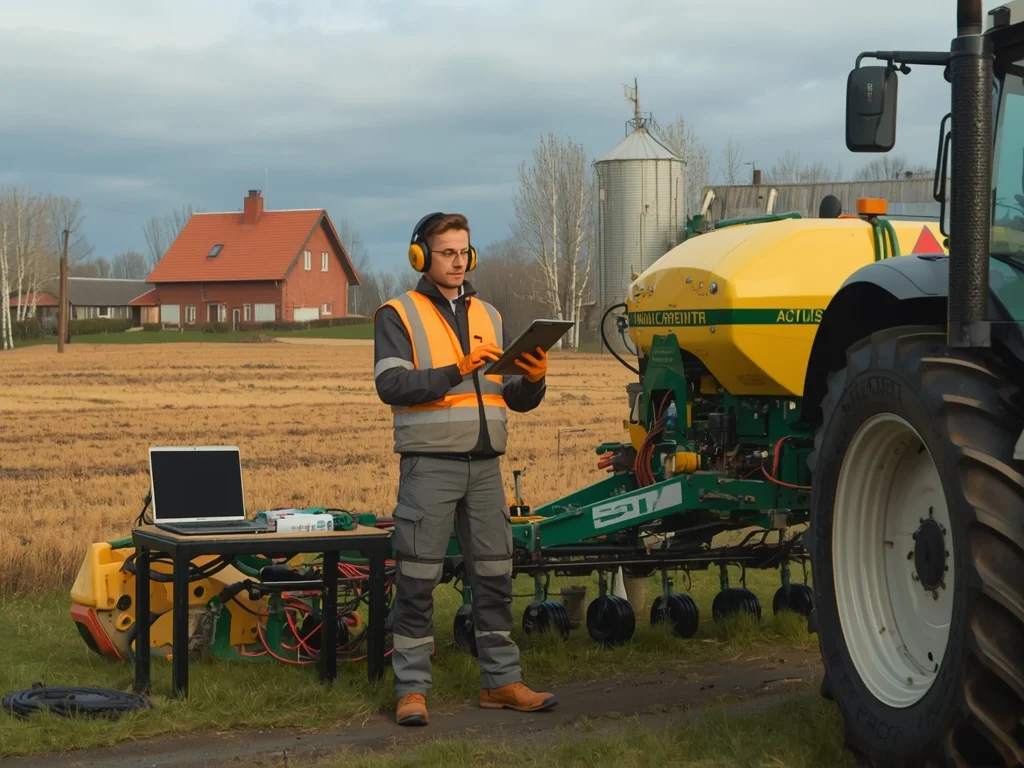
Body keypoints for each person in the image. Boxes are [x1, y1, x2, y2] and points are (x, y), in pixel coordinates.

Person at [373, 211, 557, 727]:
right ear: (421, 257)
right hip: (429, 467)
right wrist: (459, 367)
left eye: (464, 251)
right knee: (416, 579)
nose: (458, 260)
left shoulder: (491, 316)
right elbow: (392, 386)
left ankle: (501, 682)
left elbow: (508, 397)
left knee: (496, 577)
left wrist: (535, 380)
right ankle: (411, 689)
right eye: (447, 252)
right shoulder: (397, 314)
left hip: (485, 469)